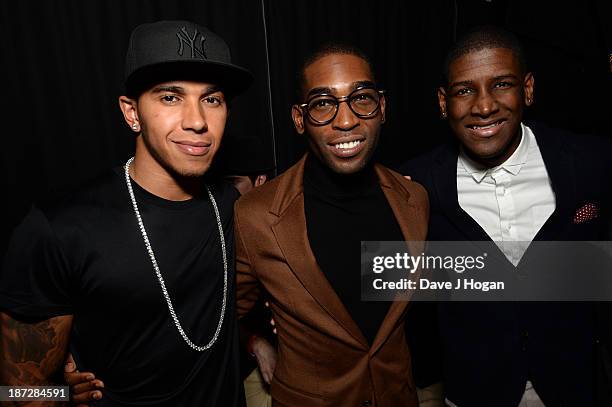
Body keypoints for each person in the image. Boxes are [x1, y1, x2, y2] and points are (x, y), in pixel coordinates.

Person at [0, 20, 252, 406]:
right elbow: (17, 390)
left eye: (212, 99)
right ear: (131, 113)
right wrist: (61, 395)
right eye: (170, 97)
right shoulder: (61, 228)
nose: (197, 120)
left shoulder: (236, 207)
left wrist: (258, 344)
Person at [402, 26, 612, 407]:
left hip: (577, 389)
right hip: (471, 394)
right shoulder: (413, 186)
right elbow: (385, 283)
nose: (484, 106)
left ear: (527, 89)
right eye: (464, 90)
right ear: (442, 101)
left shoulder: (592, 163)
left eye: (501, 84)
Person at [234, 43, 430, 406]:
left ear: (381, 108)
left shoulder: (414, 199)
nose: (345, 120)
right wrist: (256, 341)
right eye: (323, 103)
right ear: (299, 118)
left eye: (362, 98)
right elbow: (222, 315)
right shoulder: (256, 215)